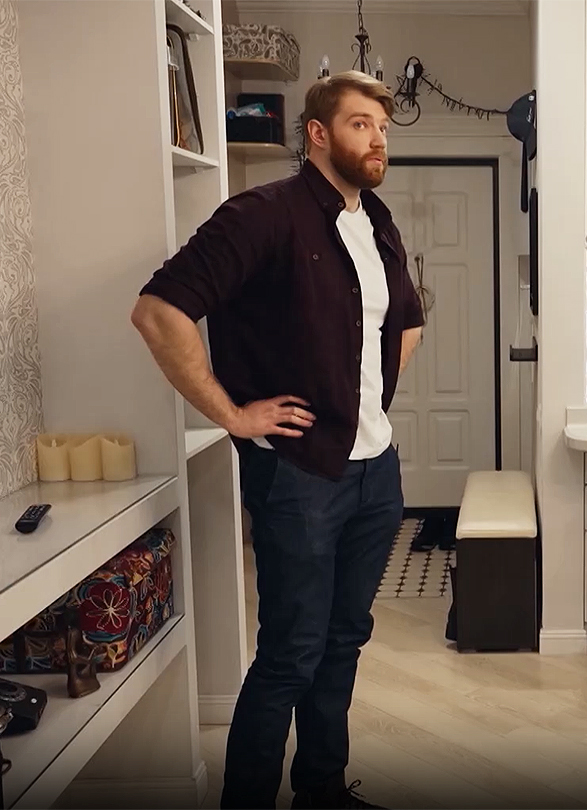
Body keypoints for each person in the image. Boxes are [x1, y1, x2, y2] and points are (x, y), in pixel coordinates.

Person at [130, 71, 424, 810]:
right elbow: (158, 312)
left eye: (383, 128)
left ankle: (321, 789)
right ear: (318, 134)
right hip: (299, 474)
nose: (378, 140)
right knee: (291, 652)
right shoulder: (262, 215)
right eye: (361, 124)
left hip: (375, 471)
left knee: (344, 639)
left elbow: (406, 325)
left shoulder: (377, 221)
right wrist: (233, 414)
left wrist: (363, 400)